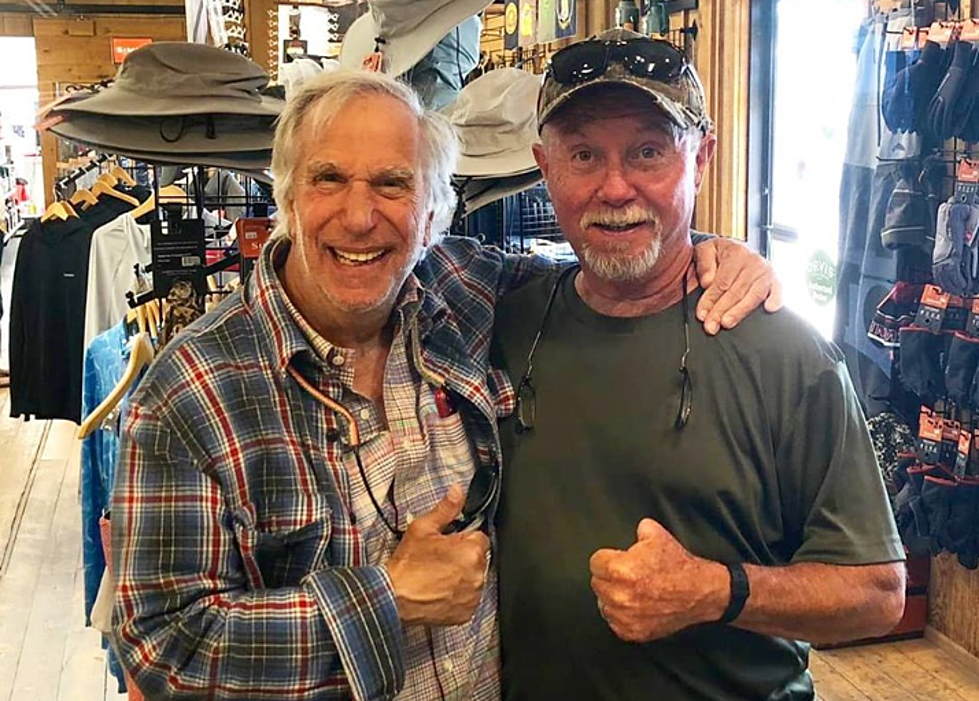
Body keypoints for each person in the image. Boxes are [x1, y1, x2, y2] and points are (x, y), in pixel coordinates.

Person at [110, 68, 778, 700]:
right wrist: (384, 600)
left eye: (392, 184)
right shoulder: (188, 394)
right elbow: (163, 647)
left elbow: (608, 269)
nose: (359, 215)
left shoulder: (461, 291)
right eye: (329, 178)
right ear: (285, 195)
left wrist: (712, 254)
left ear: (433, 212)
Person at [491, 29, 907, 701]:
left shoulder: (783, 353)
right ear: (545, 167)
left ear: (701, 158)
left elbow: (876, 592)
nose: (614, 186)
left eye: (648, 152)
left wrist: (716, 590)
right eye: (583, 154)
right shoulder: (500, 320)